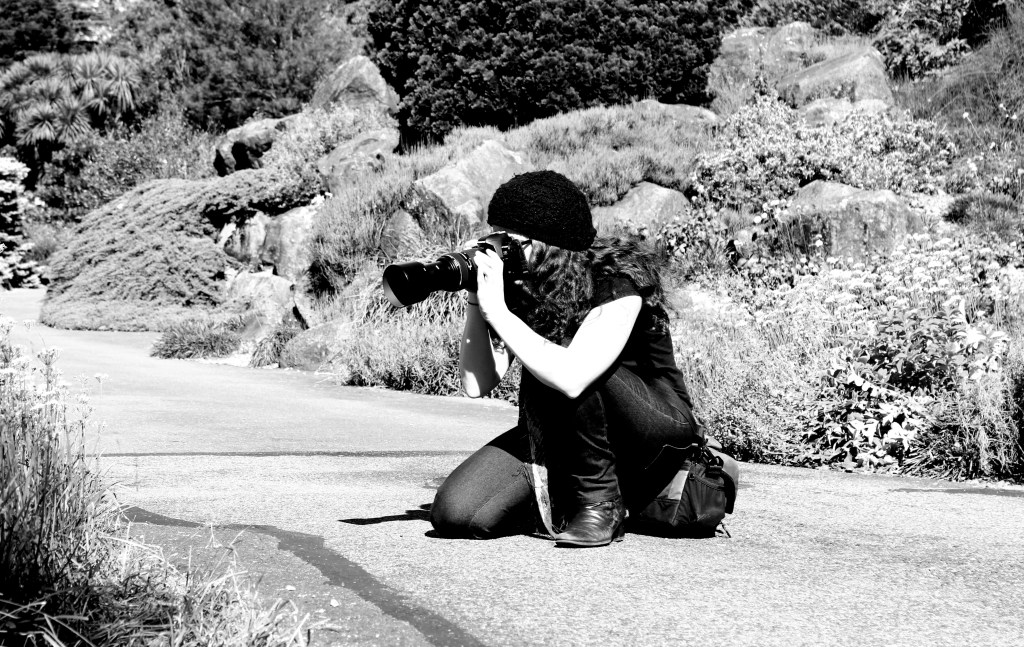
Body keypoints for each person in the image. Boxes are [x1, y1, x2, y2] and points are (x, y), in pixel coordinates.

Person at [429, 170, 702, 547]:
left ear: (552, 242)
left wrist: (502, 314)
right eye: (493, 239)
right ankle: (565, 498)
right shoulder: (522, 284)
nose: (499, 252)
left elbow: (574, 375)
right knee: (457, 513)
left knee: (572, 362)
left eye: (510, 243)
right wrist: (479, 300)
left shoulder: (618, 281)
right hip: (564, 433)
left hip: (654, 431)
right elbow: (477, 383)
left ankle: (600, 502)